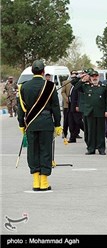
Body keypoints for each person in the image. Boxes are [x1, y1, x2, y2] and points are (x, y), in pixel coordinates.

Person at [17, 59, 62, 191]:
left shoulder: (24, 86)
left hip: (30, 123)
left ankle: (35, 182)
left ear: (32, 71)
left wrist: (21, 124)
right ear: (43, 72)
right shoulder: (50, 86)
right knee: (45, 151)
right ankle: (44, 182)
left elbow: (21, 109)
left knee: (33, 152)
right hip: (46, 123)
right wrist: (58, 124)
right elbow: (55, 107)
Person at [74, 70, 107, 155]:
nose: (94, 78)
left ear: (98, 77)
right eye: (92, 76)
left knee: (100, 132)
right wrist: (82, 79)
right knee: (90, 131)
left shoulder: (103, 86)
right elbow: (76, 87)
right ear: (90, 78)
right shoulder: (86, 86)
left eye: (96, 76)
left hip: (100, 112)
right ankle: (91, 148)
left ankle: (101, 148)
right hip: (89, 112)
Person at [61, 71, 77, 139]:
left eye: (75, 75)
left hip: (74, 105)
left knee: (74, 120)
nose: (74, 77)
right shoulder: (66, 82)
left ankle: (74, 134)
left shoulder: (77, 84)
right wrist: (66, 99)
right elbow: (62, 92)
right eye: (73, 76)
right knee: (66, 120)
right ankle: (64, 133)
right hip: (67, 105)